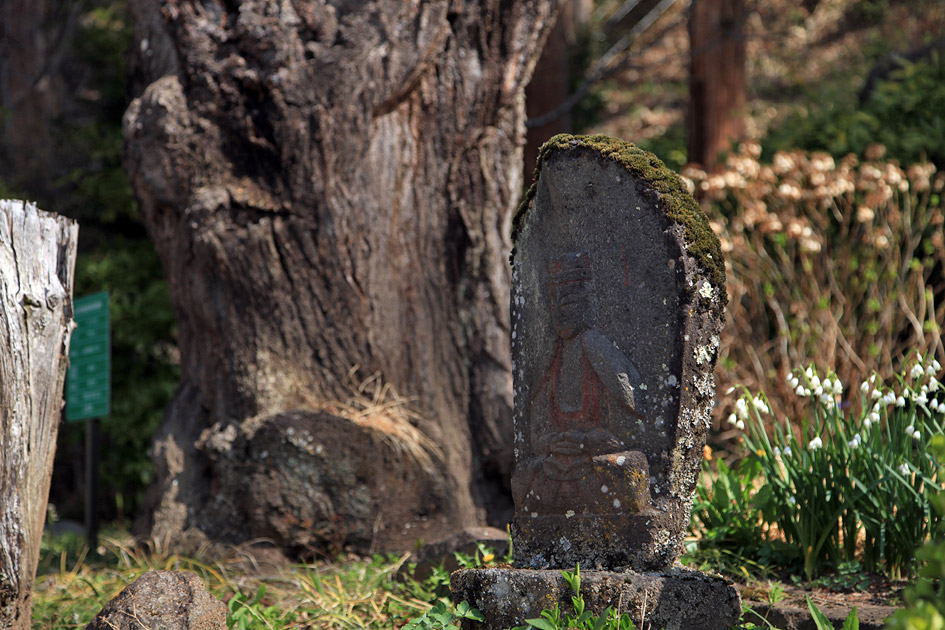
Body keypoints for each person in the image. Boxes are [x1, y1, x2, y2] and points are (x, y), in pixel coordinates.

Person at [512, 252, 650, 515]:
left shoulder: (600, 353)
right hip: (555, 463)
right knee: (522, 477)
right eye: (553, 304)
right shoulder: (550, 360)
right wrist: (553, 442)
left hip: (596, 462)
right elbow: (537, 432)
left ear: (589, 303)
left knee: (628, 470)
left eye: (570, 303)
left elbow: (630, 430)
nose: (560, 314)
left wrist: (587, 441)